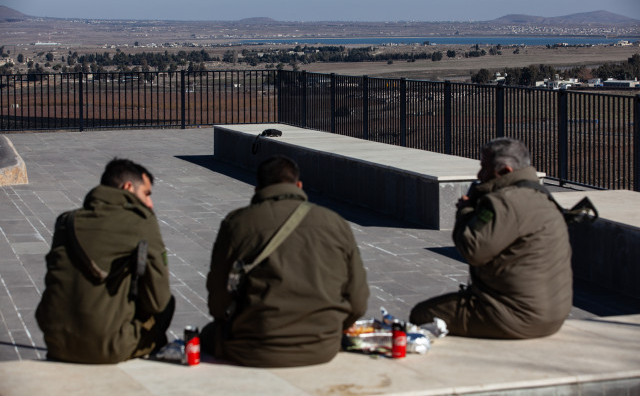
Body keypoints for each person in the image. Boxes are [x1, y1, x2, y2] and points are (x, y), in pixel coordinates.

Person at [203, 155, 369, 367]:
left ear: (257, 189)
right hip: (322, 346)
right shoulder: (335, 222)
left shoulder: (237, 223)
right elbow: (358, 300)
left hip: (252, 347)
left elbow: (217, 298)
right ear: (299, 185)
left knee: (208, 334)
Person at [410, 137, 572, 339]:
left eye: (484, 168)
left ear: (505, 171)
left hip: (516, 316)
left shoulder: (504, 202)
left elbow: (473, 250)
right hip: (554, 314)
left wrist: (466, 212)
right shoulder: (541, 195)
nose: (479, 175)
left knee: (423, 315)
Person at [36, 158, 174, 364]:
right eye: (146, 193)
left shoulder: (66, 221)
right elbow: (158, 301)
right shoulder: (141, 221)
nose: (150, 203)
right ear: (127, 187)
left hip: (55, 342)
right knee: (167, 306)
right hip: (106, 347)